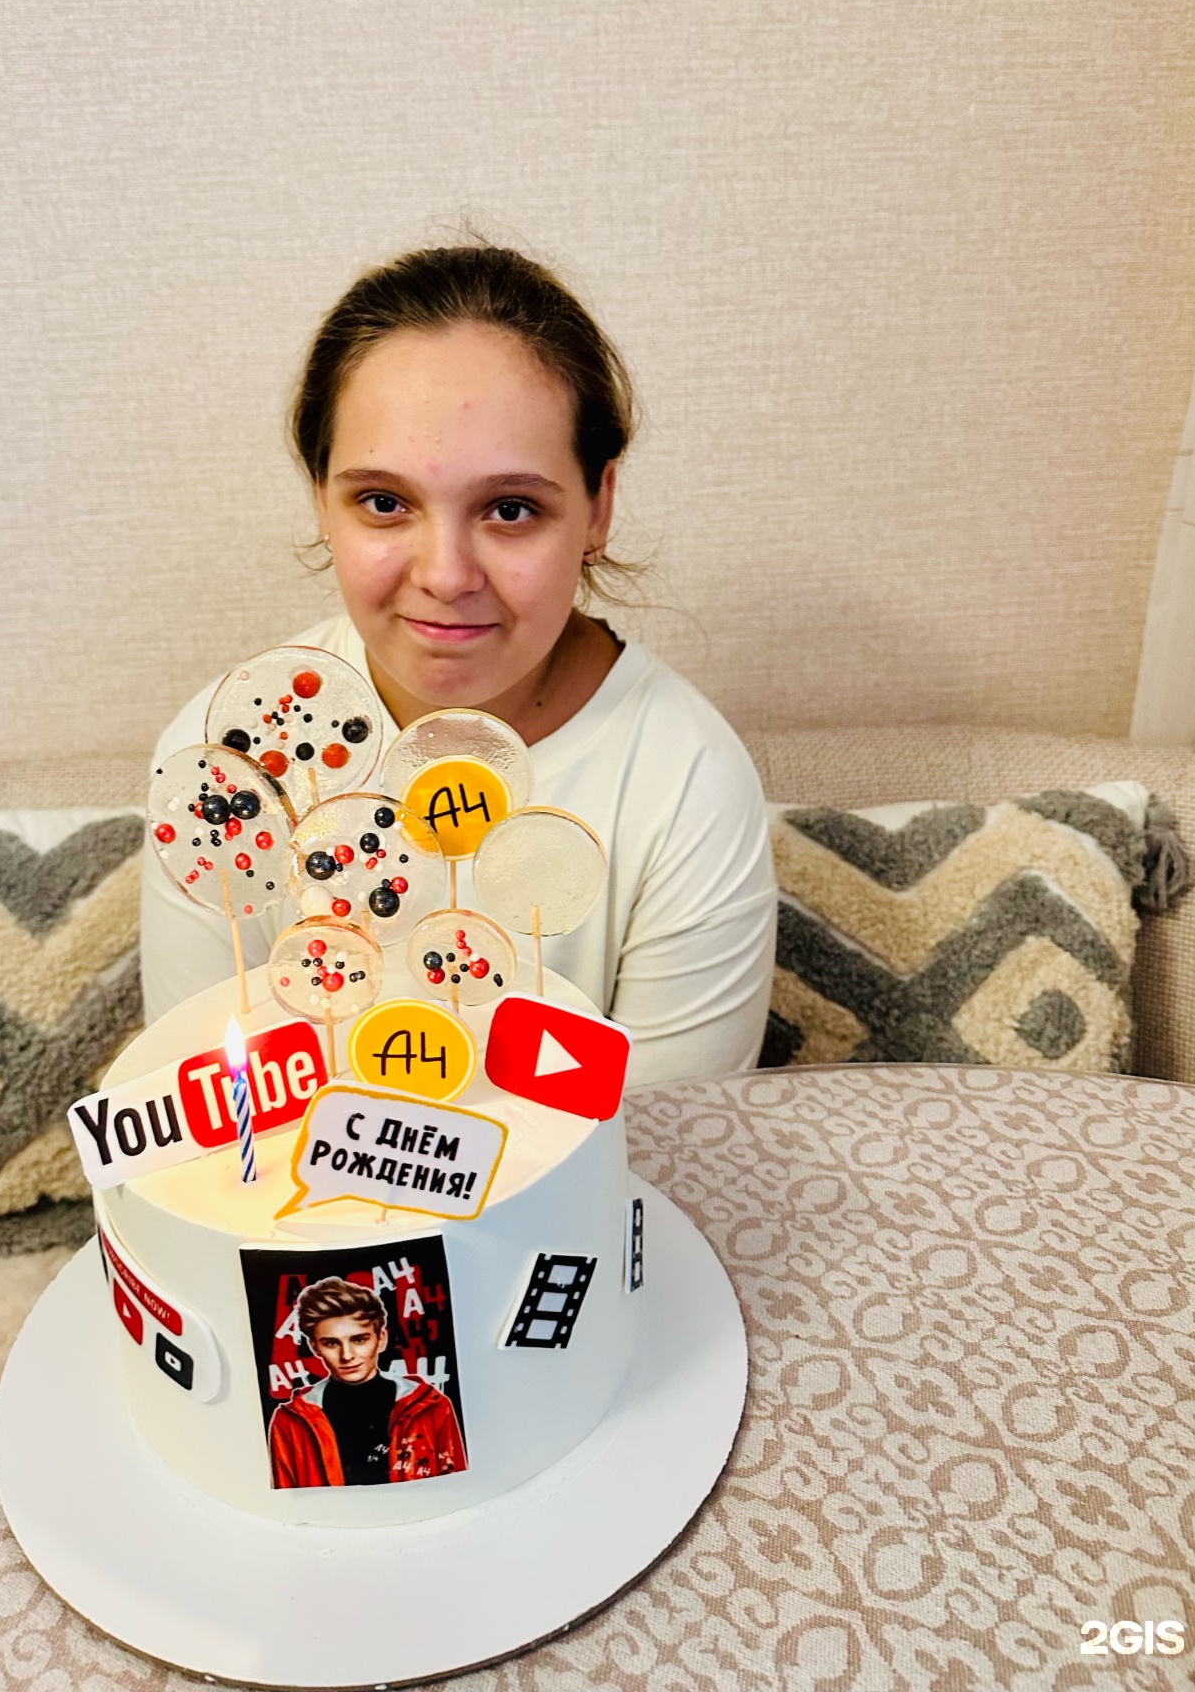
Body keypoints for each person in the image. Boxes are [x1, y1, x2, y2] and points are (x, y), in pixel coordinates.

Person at [141, 244, 776, 1084]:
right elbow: (202, 1111)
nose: (445, 576)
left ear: (598, 507)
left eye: (510, 509)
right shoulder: (229, 761)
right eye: (383, 502)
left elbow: (672, 1139)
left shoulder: (688, 781)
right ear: (321, 500)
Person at [267, 1277, 466, 1487]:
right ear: (315, 1347)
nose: (347, 1355)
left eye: (359, 1340)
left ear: (381, 1339)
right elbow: (288, 1498)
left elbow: (458, 1487)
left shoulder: (432, 1407)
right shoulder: (289, 1422)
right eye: (331, 1343)